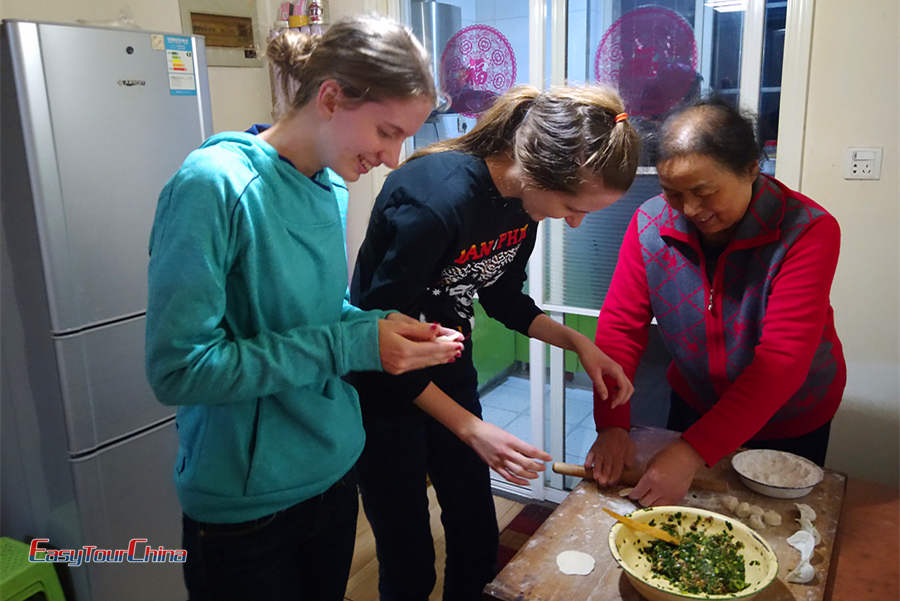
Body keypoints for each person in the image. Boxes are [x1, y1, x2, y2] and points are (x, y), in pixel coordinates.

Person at [144, 15, 464, 601]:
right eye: (387, 132)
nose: (393, 159)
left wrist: (374, 325)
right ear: (332, 97)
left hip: (333, 472)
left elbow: (318, 314)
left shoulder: (330, 186)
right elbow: (179, 368)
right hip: (247, 506)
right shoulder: (214, 185)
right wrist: (354, 343)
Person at [349, 85, 640, 601]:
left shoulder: (521, 207)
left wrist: (579, 343)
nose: (575, 222)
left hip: (449, 368)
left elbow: (503, 298)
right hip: (385, 389)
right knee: (408, 557)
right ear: (539, 169)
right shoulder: (433, 201)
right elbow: (374, 341)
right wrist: (471, 429)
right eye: (573, 206)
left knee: (477, 536)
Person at [586, 97, 846, 507]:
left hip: (789, 415)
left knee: (773, 527)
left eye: (704, 192)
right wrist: (613, 425)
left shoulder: (808, 231)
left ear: (751, 169)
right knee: (683, 514)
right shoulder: (649, 225)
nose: (690, 210)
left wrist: (692, 451)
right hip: (696, 402)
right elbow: (620, 329)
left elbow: (781, 363)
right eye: (673, 193)